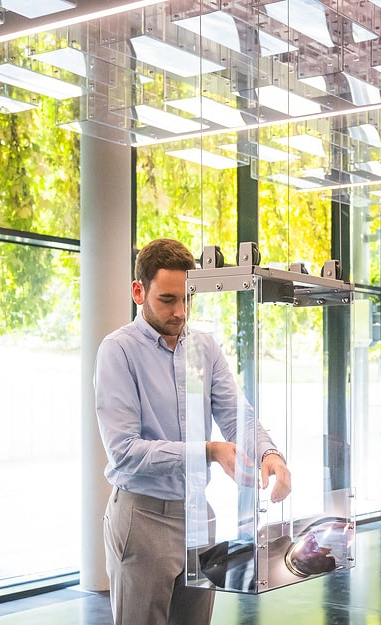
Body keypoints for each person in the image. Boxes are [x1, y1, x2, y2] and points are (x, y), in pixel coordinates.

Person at [95, 238, 291, 625]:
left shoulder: (204, 347)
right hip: (143, 518)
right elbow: (125, 451)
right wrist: (209, 450)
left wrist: (271, 455)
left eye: (187, 298)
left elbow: (238, 415)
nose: (180, 311)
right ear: (139, 291)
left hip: (199, 515)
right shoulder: (117, 351)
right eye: (168, 299)